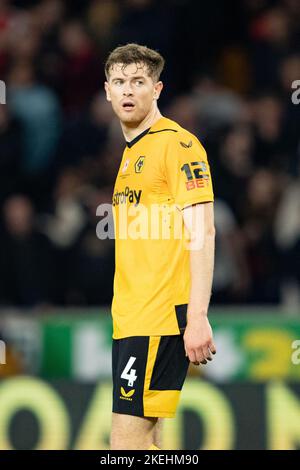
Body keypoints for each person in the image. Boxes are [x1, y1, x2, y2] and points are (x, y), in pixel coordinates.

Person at [104, 43, 216, 450]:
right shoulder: (133, 150)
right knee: (149, 442)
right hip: (133, 317)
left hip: (159, 318)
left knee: (126, 445)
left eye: (138, 81)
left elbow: (203, 232)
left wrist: (197, 315)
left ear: (157, 89)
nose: (128, 90)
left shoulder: (177, 145)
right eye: (119, 82)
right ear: (107, 91)